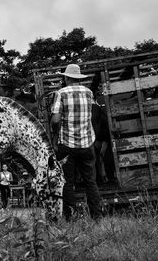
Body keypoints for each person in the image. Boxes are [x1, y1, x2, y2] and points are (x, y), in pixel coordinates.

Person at [50, 64, 102, 221]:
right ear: (78, 78)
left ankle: (71, 217)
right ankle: (96, 216)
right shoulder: (88, 93)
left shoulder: (61, 93)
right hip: (87, 144)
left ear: (66, 78)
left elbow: (56, 119)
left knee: (67, 182)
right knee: (90, 181)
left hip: (67, 145)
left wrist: (55, 133)